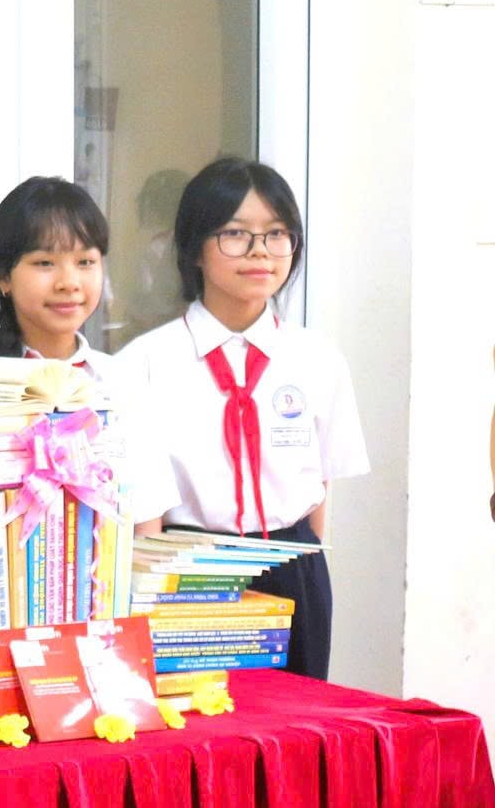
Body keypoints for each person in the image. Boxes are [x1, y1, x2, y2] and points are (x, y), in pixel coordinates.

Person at [120, 158, 363, 677]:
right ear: (194, 248)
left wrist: (304, 563)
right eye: (235, 233)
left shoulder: (318, 359)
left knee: (299, 718)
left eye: (277, 234)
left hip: (293, 564)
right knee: (200, 720)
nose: (260, 251)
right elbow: (143, 505)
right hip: (189, 570)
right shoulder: (144, 362)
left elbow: (320, 483)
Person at [0, 174, 174, 533]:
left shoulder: (122, 382)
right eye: (45, 263)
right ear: (2, 276)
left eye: (85, 262)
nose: (69, 283)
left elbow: (146, 520)